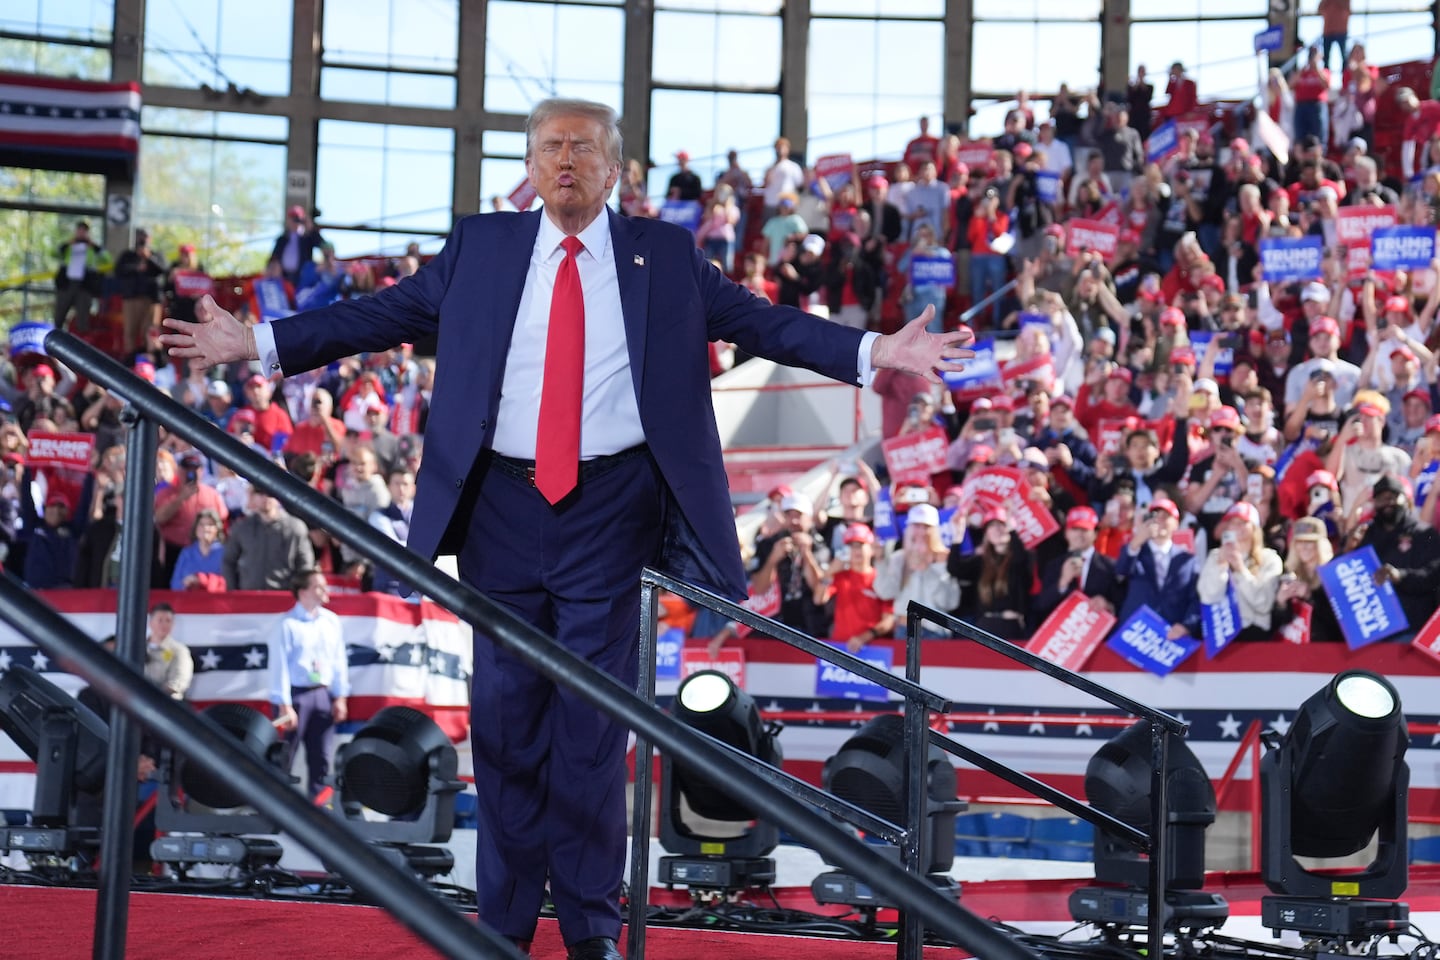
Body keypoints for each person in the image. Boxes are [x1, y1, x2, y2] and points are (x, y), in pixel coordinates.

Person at [159, 97, 971, 960]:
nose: (566, 159)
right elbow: (379, 315)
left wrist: (874, 352)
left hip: (612, 512)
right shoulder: (483, 246)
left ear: (615, 168)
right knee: (506, 720)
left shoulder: (665, 255)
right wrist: (258, 340)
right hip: (500, 511)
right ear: (531, 167)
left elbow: (763, 322)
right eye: (550, 147)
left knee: (590, 726)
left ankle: (591, 925)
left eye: (584, 146)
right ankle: (504, 922)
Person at [268, 568, 349, 796]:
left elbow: (338, 660)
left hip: (322, 695)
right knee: (284, 755)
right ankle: (277, 809)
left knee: (322, 757)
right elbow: (279, 667)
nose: (325, 590)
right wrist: (284, 705)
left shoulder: (331, 622)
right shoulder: (286, 624)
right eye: (318, 586)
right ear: (302, 591)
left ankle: (319, 811)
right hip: (293, 697)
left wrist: (340, 696)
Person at [1114, 498, 1201, 640]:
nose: (1159, 520)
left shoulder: (1188, 560)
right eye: (1154, 516)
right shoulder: (1134, 550)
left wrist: (1186, 625)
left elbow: (1196, 599)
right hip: (1135, 633)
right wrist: (1137, 540)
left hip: (1170, 636)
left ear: (1176, 524)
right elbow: (1120, 572)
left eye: (1165, 516)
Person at [1197, 502, 1283, 643]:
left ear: (1254, 528)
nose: (1237, 527)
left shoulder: (1270, 559)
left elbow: (1264, 604)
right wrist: (1221, 566)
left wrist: (1240, 569)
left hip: (1255, 635)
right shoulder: (1215, 556)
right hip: (1221, 633)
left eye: (1243, 523)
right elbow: (1207, 597)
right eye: (1233, 522)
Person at [873, 503, 958, 637]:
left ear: (935, 530)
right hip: (905, 630)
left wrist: (926, 569)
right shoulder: (899, 558)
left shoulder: (944, 558)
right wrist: (880, 561)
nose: (921, 532)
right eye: (916, 526)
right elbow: (885, 592)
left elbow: (949, 602)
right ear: (908, 528)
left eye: (927, 527)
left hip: (935, 631)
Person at [1035, 506, 1121, 622]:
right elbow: (1041, 605)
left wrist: (1108, 606)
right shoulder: (1053, 565)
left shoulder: (1110, 566)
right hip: (1062, 633)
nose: (1079, 534)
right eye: (1075, 529)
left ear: (1095, 533)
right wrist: (1063, 582)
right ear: (1066, 533)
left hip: (1097, 632)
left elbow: (1122, 604)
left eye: (1085, 530)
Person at [144, 602, 195, 699]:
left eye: (168, 620)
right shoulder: (138, 647)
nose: (164, 624)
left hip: (167, 705)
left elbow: (179, 681)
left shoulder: (179, 651)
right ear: (150, 623)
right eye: (160, 620)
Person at [170, 508, 226, 591]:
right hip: (188, 600)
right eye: (201, 524)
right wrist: (186, 583)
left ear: (217, 529)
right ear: (195, 528)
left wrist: (203, 581)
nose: (205, 528)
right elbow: (174, 584)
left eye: (210, 525)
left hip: (216, 601)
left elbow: (229, 583)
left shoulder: (225, 553)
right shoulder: (186, 553)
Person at [270, 205, 325, 287]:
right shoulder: (282, 240)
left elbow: (323, 245)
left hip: (301, 279)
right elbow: (274, 258)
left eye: (297, 219)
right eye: (293, 219)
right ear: (288, 220)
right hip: (282, 279)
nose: (295, 222)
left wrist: (310, 228)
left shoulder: (307, 239)